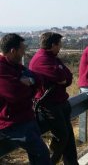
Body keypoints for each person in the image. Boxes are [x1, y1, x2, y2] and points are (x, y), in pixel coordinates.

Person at [0, 33, 51, 164]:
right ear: (13, 51)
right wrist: (27, 84)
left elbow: (38, 79)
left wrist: (28, 81)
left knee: (38, 155)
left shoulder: (14, 66)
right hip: (12, 123)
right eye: (22, 50)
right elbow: (15, 95)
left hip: (25, 117)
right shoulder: (2, 69)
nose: (24, 53)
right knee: (42, 154)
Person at [29, 32, 78, 165]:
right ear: (52, 45)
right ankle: (50, 161)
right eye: (59, 44)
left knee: (68, 136)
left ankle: (72, 162)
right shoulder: (41, 59)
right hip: (49, 105)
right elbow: (61, 77)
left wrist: (63, 77)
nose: (61, 46)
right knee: (62, 136)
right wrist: (63, 77)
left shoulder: (52, 57)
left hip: (60, 102)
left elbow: (67, 77)